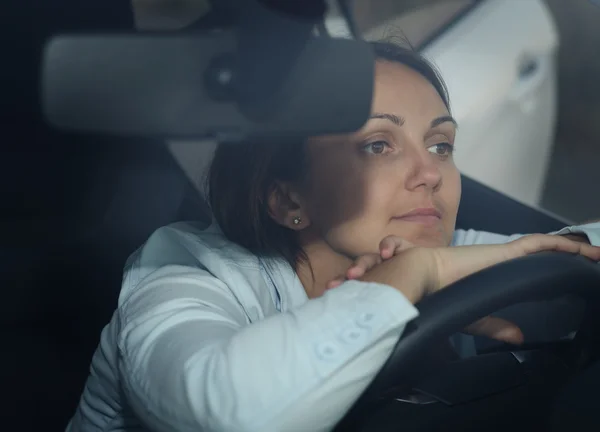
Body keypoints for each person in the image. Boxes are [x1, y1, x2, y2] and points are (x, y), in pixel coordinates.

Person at [66, 41, 600, 432]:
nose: (431, 172)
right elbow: (227, 413)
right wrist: (411, 276)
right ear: (288, 200)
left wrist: (571, 243)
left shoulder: (442, 247)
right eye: (378, 145)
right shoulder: (183, 271)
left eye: (439, 144)